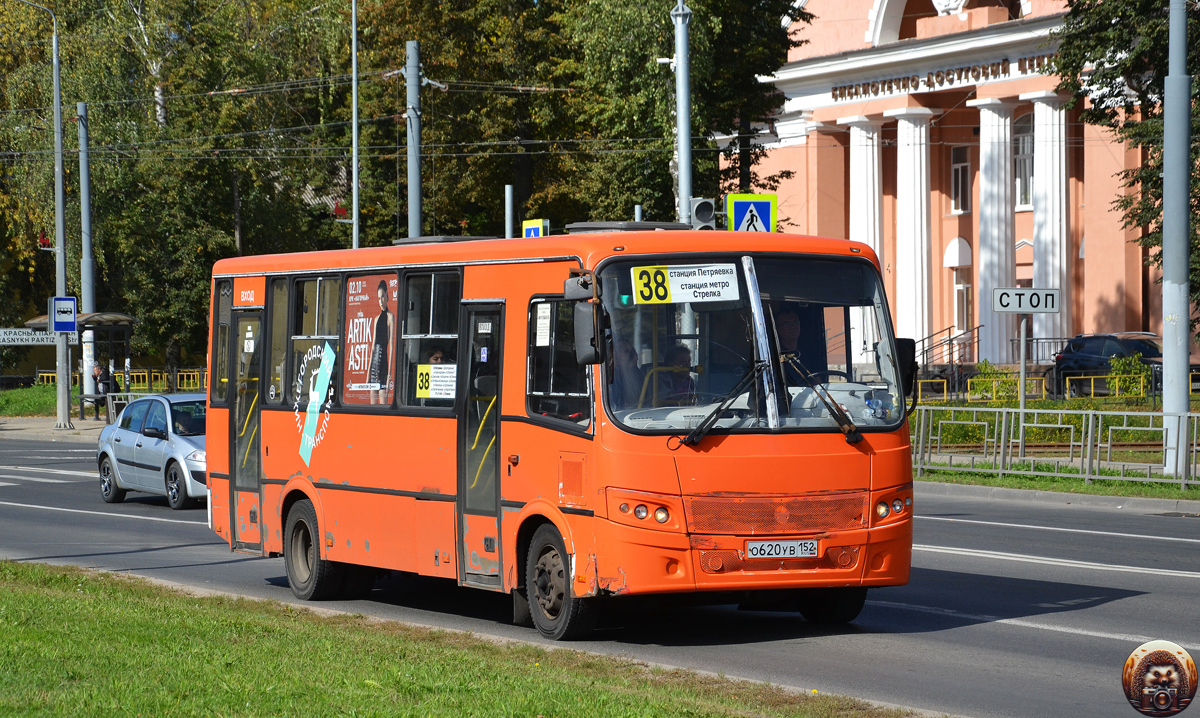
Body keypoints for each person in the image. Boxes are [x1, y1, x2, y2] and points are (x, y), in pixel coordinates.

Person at [368, 280, 395, 405]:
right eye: (379, 298)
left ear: (387, 295)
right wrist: (368, 372)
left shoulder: (390, 316)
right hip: (374, 363)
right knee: (372, 404)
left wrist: (389, 374)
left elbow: (391, 346)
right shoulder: (376, 319)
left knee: (383, 404)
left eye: (383, 297)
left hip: (383, 362)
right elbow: (373, 347)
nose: (381, 301)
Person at [609, 338, 646, 409]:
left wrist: (630, 368)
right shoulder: (602, 374)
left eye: (626, 351)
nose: (620, 354)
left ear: (631, 356)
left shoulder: (638, 376)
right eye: (617, 350)